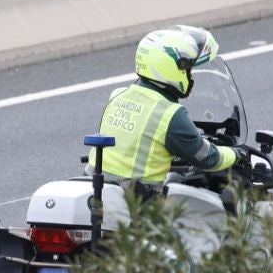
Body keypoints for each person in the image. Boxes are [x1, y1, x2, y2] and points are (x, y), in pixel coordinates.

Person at [97, 26, 239, 190]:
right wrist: (236, 154)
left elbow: (138, 145)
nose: (190, 76)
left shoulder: (117, 95)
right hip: (139, 202)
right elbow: (208, 158)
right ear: (171, 68)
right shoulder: (169, 114)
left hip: (100, 189)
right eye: (187, 70)